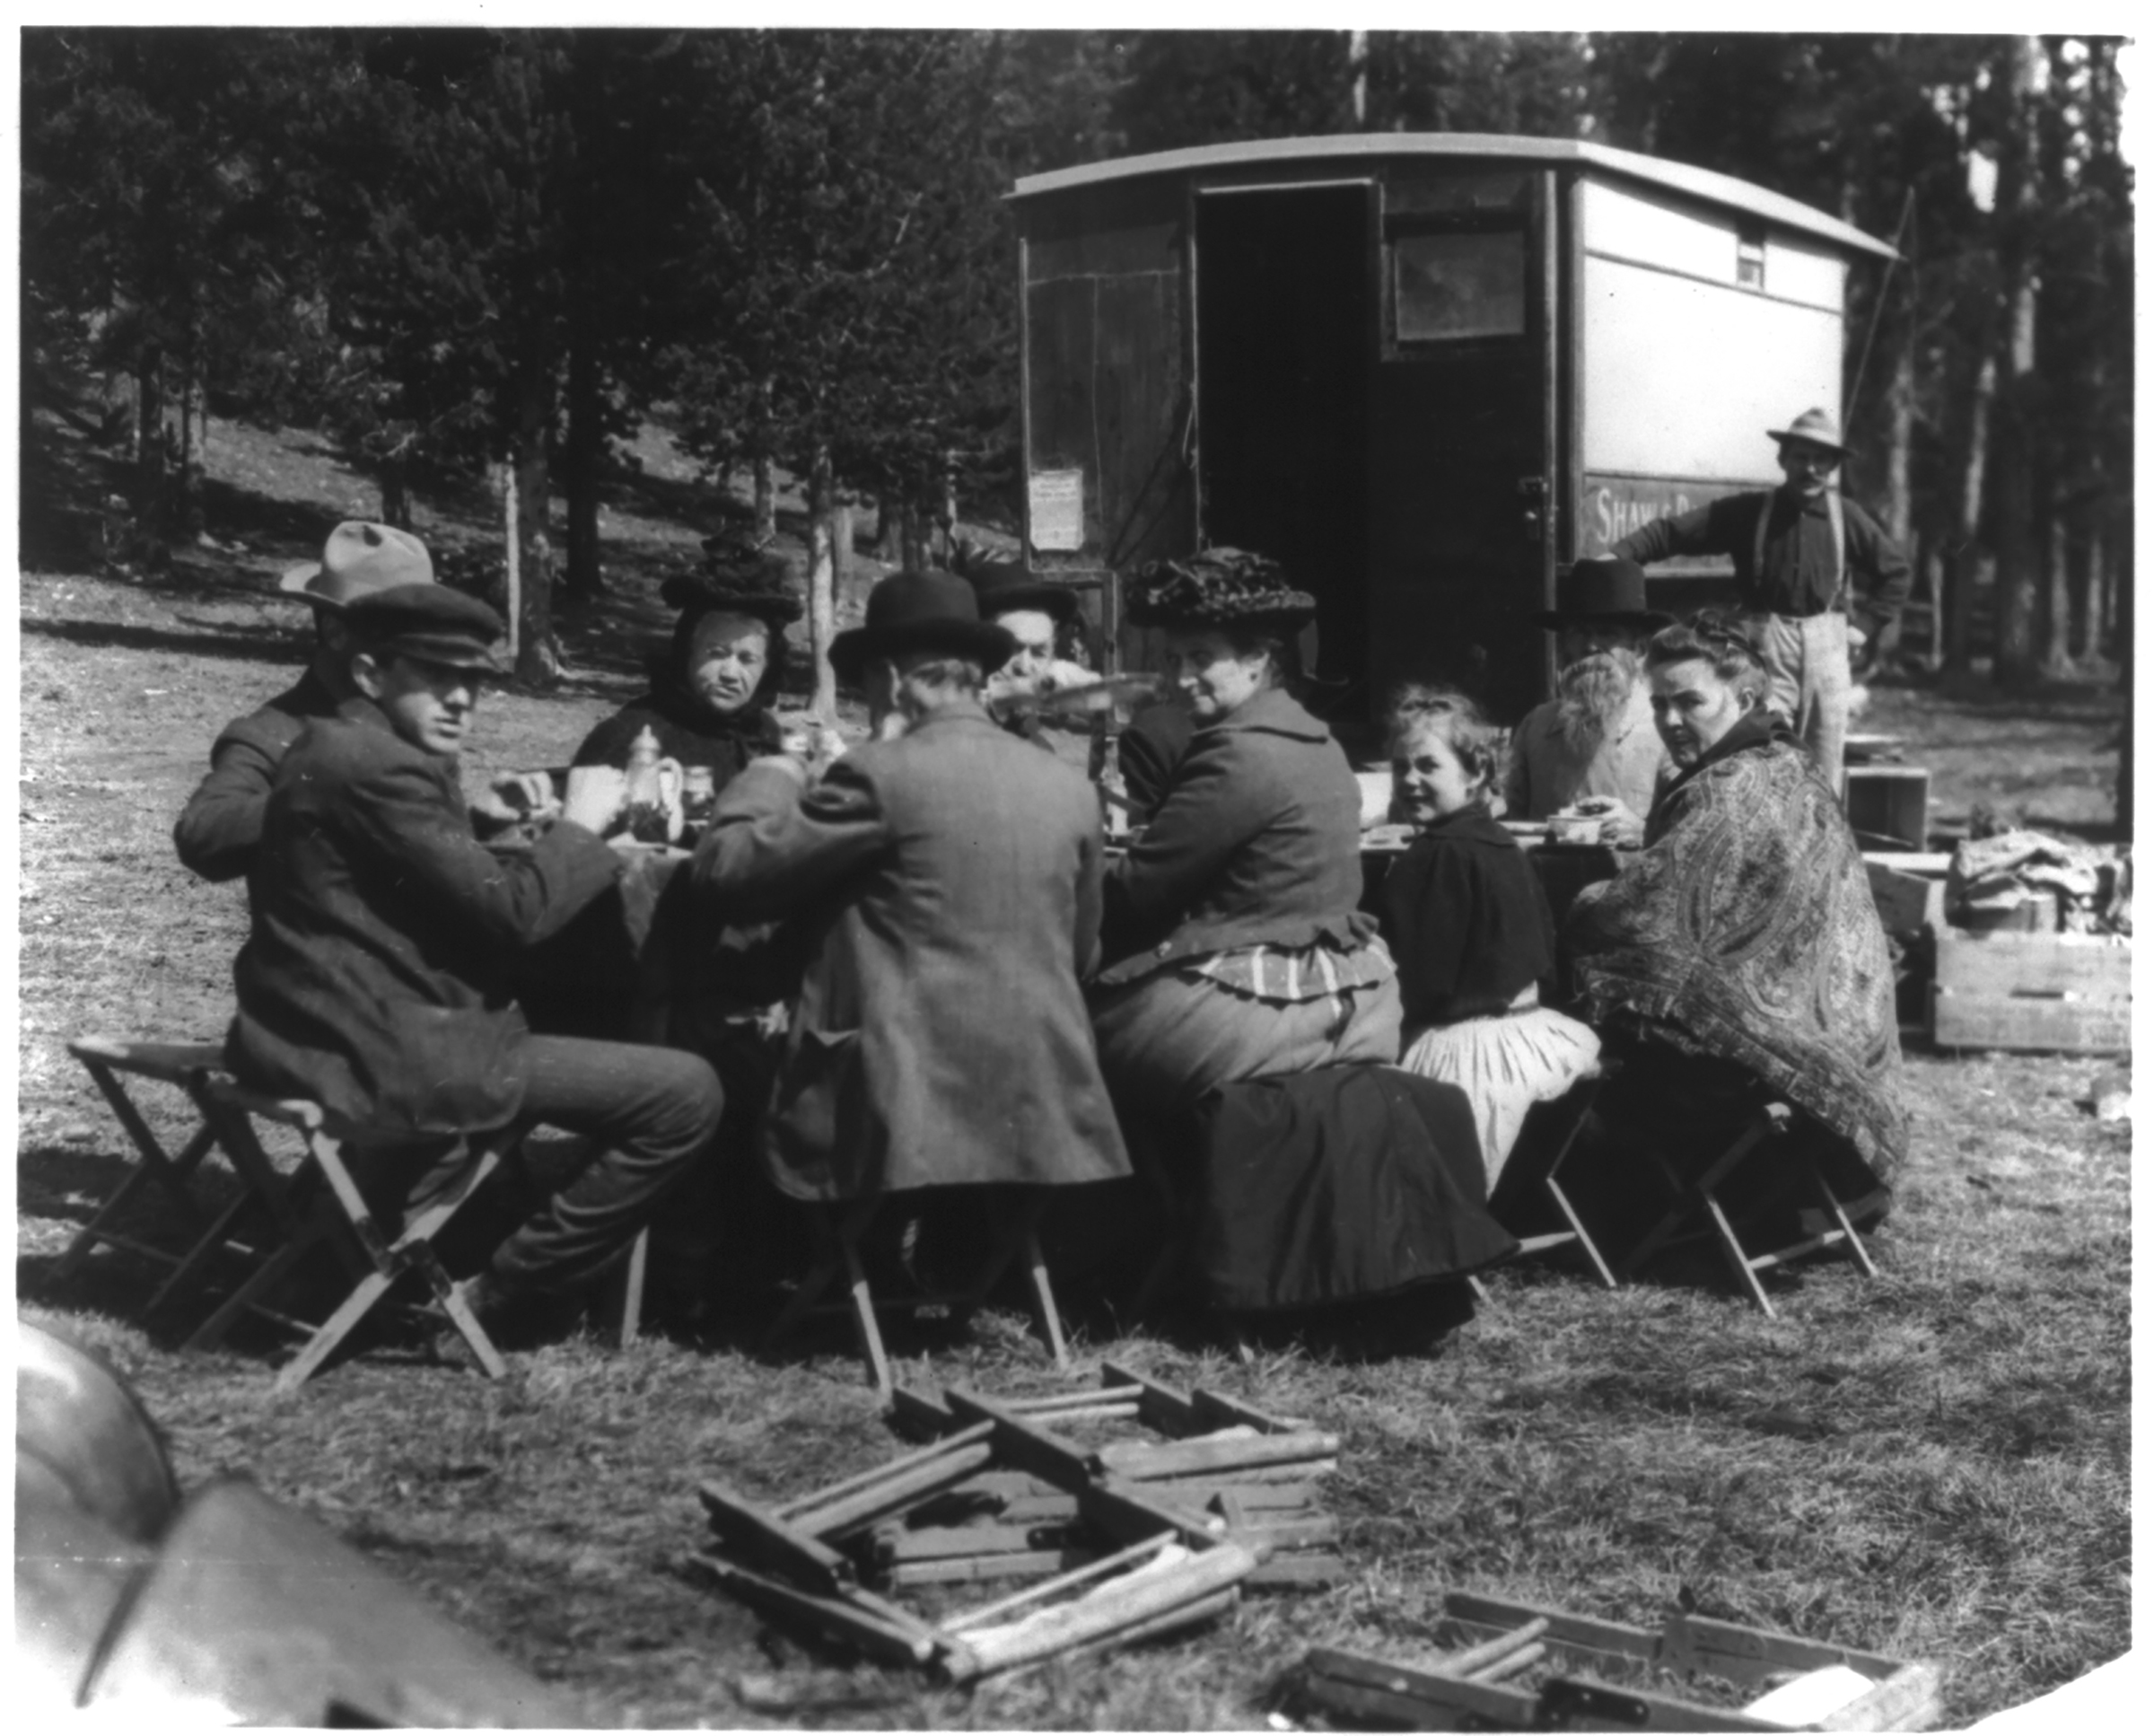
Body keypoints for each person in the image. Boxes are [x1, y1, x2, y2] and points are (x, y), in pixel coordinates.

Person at [226, 583, 723, 1344]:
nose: (462, 699)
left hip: (309, 1034)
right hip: (394, 1057)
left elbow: (401, 873)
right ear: (368, 673)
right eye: (435, 676)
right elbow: (515, 915)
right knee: (686, 1091)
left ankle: (386, 1251)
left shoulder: (332, 743)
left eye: (475, 681)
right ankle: (509, 1291)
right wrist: (585, 828)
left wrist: (480, 822)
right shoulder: (383, 766)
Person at [692, 568, 1130, 1205]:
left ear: (891, 679)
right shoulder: (1068, 788)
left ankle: (718, 1255)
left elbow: (724, 873)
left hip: (894, 1105)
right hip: (1038, 1102)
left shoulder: (876, 773)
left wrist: (778, 768)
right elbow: (1081, 952)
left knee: (703, 1030)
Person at [1563, 613, 1907, 1245]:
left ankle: (1612, 1213)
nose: (1670, 720)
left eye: (1689, 701)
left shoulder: (1729, 785)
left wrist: (1580, 901)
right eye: (1660, 703)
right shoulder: (1785, 763)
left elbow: (1636, 916)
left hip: (1768, 1071)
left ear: (1744, 697)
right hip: (1843, 1057)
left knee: (1590, 1038)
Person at [1090, 548, 1402, 1127]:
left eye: (1202, 657)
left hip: (1259, 1010)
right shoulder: (1319, 742)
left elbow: (1133, 894)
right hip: (1355, 1000)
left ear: (1257, 659)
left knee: (1056, 1047)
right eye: (1172, 658)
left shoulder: (1237, 752)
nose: (1180, 678)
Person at [1609, 407, 1911, 792]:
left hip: (1829, 645)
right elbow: (1673, 533)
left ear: (1833, 466)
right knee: (1760, 743)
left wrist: (1864, 627)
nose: (1811, 469)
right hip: (1766, 643)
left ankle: (1821, 842)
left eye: (1822, 460)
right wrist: (1617, 557)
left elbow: (1896, 572)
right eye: (1802, 457)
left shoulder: (1846, 517)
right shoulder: (1749, 512)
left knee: (1825, 753)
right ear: (1783, 459)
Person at [1383, 686, 1600, 1188]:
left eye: (1428, 767)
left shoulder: (1432, 856)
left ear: (1476, 772)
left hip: (1467, 1051)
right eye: (1400, 769)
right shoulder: (1503, 843)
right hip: (1532, 1035)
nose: (1410, 781)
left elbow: (1418, 983)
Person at [174, 521, 438, 882]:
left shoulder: (414, 722)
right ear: (334, 631)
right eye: (397, 632)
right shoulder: (276, 731)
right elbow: (203, 831)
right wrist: (325, 800)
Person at [568, 538, 802, 789]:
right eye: (717, 653)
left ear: (767, 667)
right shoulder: (630, 737)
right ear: (687, 652)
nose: (731, 674)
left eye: (748, 659)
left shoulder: (767, 738)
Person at [1502, 557, 1672, 843]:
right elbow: (1513, 819)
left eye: (1607, 633)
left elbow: (1695, 832)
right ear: (1564, 645)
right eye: (1579, 633)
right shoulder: (1536, 726)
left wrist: (1644, 832)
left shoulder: (1665, 727)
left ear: (1639, 648)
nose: (1591, 646)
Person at [951, 541, 1096, 738]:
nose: (1024, 667)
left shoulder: (1068, 746)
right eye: (1011, 649)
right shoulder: (945, 735)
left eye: (1039, 653)